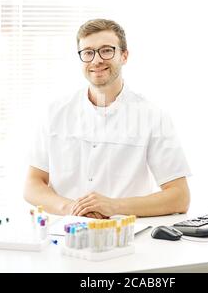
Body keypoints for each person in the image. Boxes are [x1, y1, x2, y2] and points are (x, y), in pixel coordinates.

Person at [24, 18, 191, 218]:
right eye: (88, 53)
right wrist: (71, 209)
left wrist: (114, 206)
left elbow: (180, 197)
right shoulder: (55, 113)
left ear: (124, 56)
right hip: (65, 234)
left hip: (126, 236)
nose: (96, 60)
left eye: (106, 50)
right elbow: (33, 185)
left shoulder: (152, 117)